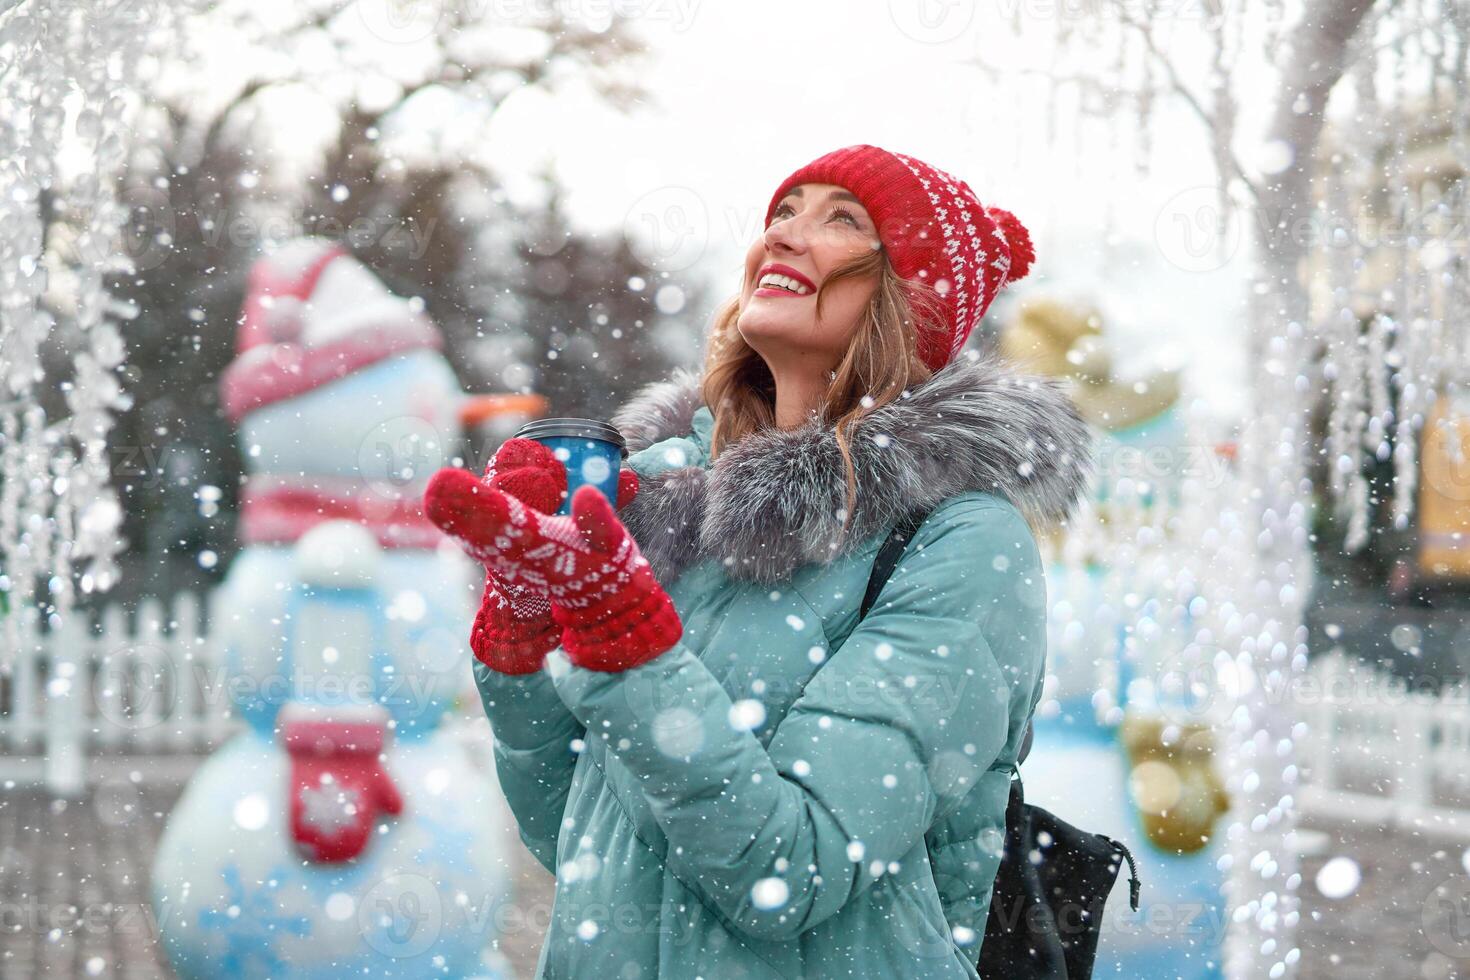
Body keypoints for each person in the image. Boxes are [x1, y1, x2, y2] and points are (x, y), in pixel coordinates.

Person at [423, 144, 1095, 979]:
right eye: (783, 211)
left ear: (907, 298)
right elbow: (571, 832)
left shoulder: (960, 543)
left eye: (841, 219)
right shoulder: (664, 498)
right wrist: (526, 628)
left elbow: (790, 872)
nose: (783, 236)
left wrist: (624, 637)